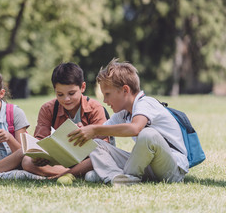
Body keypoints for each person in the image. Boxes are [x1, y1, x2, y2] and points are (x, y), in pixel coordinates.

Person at [63, 58, 188, 186]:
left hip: (171, 168)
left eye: (107, 94)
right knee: (96, 143)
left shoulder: (146, 103)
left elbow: (135, 128)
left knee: (148, 134)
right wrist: (83, 132)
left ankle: (122, 176)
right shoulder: (123, 113)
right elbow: (97, 134)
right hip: (148, 165)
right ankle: (115, 177)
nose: (105, 100)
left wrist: (95, 129)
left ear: (125, 90)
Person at [21, 62, 109, 178]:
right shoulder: (48, 109)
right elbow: (40, 140)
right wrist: (40, 156)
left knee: (98, 158)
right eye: (60, 94)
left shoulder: (95, 108)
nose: (66, 99)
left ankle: (64, 174)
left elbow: (104, 145)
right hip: (62, 160)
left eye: (71, 93)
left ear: (82, 87)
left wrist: (85, 136)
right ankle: (71, 173)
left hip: (89, 158)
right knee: (26, 161)